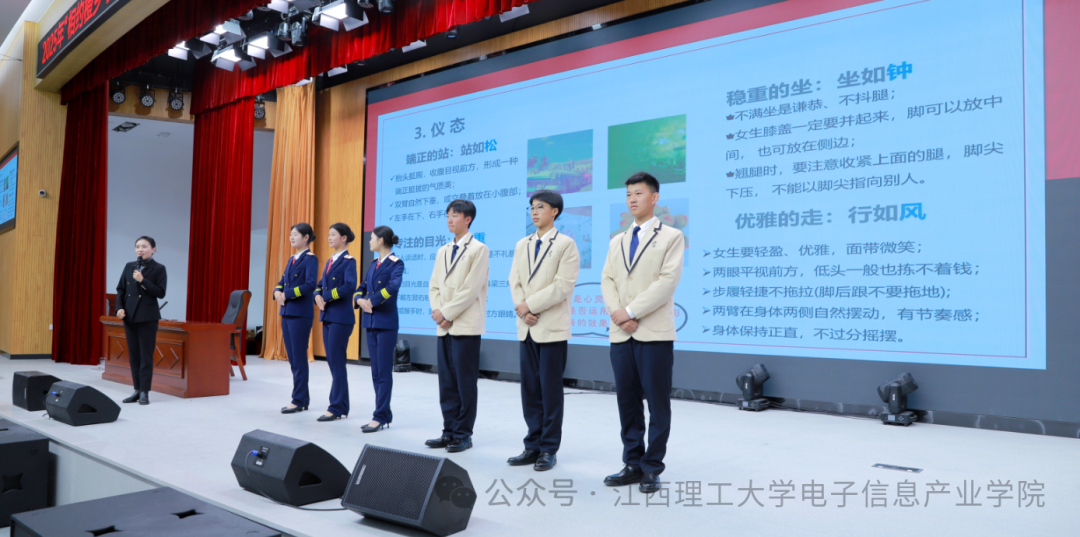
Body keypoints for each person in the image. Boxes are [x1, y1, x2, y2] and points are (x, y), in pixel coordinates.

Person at [600, 172, 684, 493]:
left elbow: (667, 281)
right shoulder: (617, 240)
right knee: (627, 400)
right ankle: (632, 463)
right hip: (621, 333)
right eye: (628, 195)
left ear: (654, 197)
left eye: (638, 193)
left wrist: (632, 311)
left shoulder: (672, 236)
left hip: (653, 332)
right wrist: (618, 314)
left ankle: (652, 467)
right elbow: (607, 280)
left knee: (658, 403)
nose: (632, 199)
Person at [507, 191, 580, 471]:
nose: (535, 212)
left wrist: (530, 305)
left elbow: (562, 285)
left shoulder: (566, 244)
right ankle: (532, 445)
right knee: (529, 390)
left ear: (555, 211)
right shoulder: (522, 244)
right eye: (532, 207)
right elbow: (514, 280)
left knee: (550, 392)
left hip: (551, 328)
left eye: (541, 207)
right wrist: (522, 309)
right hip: (526, 327)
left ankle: (549, 448)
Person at [427, 199, 490, 453]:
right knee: (446, 383)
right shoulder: (442, 250)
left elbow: (471, 289)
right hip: (444, 326)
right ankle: (449, 431)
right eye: (448, 215)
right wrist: (438, 312)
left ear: (468, 219)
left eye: (455, 215)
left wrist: (447, 313)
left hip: (465, 325)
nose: (450, 219)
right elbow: (434, 285)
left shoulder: (479, 249)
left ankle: (463, 434)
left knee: (465, 383)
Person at [355, 226, 405, 433]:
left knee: (383, 372)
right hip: (370, 322)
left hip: (385, 323)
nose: (369, 241)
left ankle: (379, 416)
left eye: (372, 238)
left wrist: (372, 301)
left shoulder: (396, 263)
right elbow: (361, 287)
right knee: (375, 372)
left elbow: (393, 287)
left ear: (382, 240)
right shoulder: (373, 264)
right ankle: (384, 413)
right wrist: (359, 300)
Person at [115, 236, 168, 406]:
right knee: (134, 355)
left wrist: (142, 280)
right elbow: (121, 289)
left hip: (147, 316)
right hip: (130, 316)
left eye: (144, 246)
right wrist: (119, 308)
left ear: (153, 249)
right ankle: (137, 389)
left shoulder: (159, 268)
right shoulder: (129, 266)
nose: (140, 249)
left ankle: (145, 391)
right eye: (138, 246)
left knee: (145, 356)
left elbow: (160, 293)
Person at [315, 222, 358, 422]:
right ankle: (342, 406)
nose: (329, 238)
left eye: (333, 234)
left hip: (341, 318)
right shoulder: (330, 260)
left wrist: (326, 296)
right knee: (333, 362)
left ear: (344, 238)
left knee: (337, 362)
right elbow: (320, 284)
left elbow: (350, 286)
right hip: (328, 316)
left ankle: (335, 407)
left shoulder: (349, 261)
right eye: (329, 234)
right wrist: (317, 295)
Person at [274, 223, 318, 415]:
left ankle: (298, 400)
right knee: (293, 358)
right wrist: (277, 292)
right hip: (287, 312)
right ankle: (302, 399)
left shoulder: (310, 259)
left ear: (306, 237)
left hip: (300, 314)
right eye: (291, 234)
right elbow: (282, 282)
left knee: (299, 358)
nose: (291, 237)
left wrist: (287, 294)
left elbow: (310, 285)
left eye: (295, 234)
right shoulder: (292, 259)